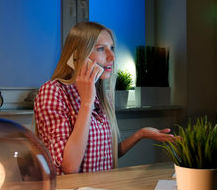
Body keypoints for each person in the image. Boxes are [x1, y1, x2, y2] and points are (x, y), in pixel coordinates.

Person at [34, 21, 173, 175]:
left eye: (112, 48)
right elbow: (70, 166)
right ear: (77, 56)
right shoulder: (53, 92)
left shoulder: (102, 96)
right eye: (101, 49)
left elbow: (106, 155)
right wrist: (86, 103)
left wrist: (140, 134)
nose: (112, 56)